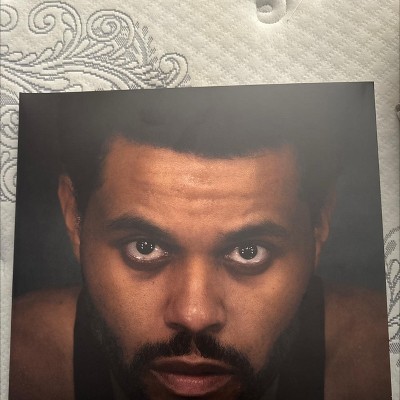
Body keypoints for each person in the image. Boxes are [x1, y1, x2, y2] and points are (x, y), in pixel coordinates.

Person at [9, 84, 391, 400]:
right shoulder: (16, 368)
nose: (194, 314)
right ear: (74, 218)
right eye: (144, 248)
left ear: (319, 227)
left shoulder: (382, 369)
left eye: (249, 252)